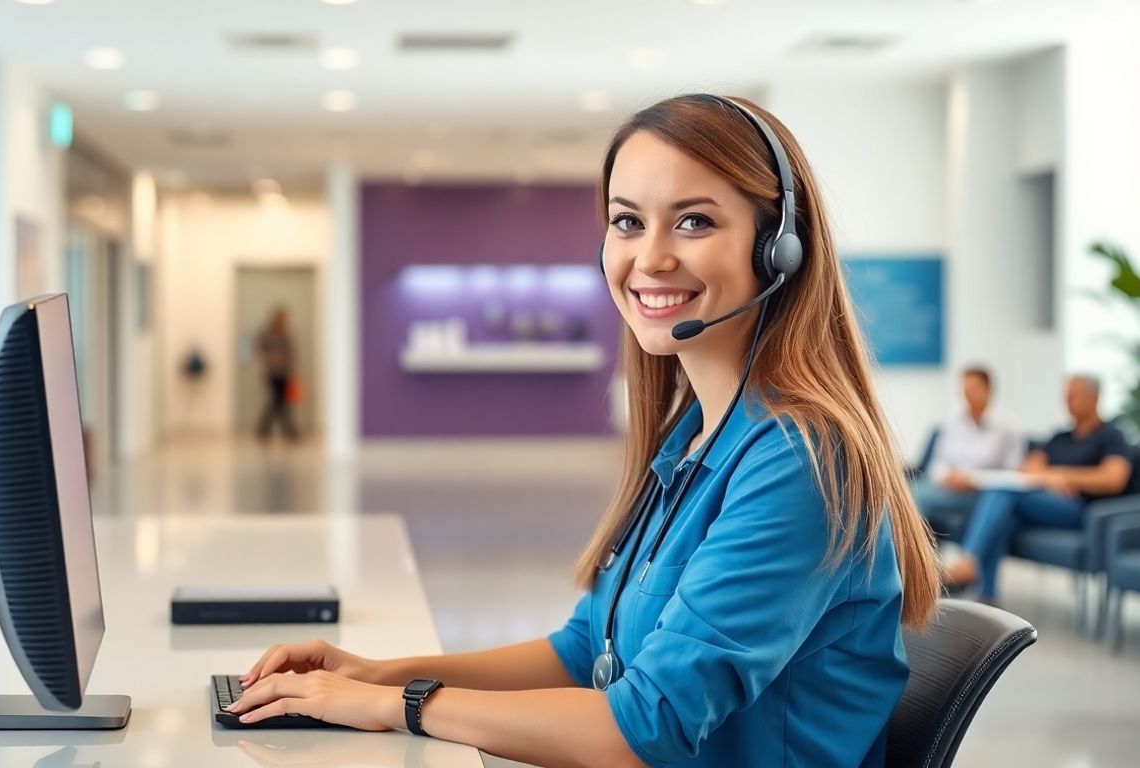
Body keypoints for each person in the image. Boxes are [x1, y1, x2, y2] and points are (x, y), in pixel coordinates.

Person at [221, 94, 939, 767]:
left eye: (694, 221)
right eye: (628, 221)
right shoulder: (695, 437)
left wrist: (394, 708)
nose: (650, 257)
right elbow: (580, 652)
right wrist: (379, 675)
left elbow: (644, 725)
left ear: (777, 248)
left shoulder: (799, 461)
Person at [943, 375, 1133, 601]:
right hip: (1045, 502)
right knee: (1005, 518)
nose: (1067, 402)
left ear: (1094, 398)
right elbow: (1029, 466)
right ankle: (986, 597)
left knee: (1001, 491)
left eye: (1073, 396)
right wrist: (1049, 478)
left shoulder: (1112, 435)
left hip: (1082, 509)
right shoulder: (1062, 436)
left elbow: (1112, 479)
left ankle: (968, 562)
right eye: (1065, 396)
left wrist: (1063, 476)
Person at [912, 366, 1025, 536]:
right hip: (949, 488)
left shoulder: (1009, 428)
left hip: (983, 494)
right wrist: (946, 477)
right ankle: (917, 558)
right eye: (965, 390)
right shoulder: (953, 425)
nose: (968, 395)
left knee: (916, 497)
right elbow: (937, 464)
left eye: (974, 389)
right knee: (908, 492)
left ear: (989, 389)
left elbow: (1013, 475)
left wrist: (973, 479)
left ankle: (913, 559)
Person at [256, 306, 299, 443]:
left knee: (279, 402)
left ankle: (265, 430)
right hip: (272, 373)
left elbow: (291, 352)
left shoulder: (286, 334)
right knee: (278, 402)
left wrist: (291, 370)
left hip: (284, 372)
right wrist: (272, 358)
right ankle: (288, 432)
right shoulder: (268, 333)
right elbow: (261, 349)